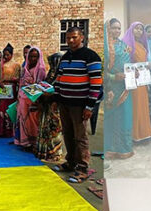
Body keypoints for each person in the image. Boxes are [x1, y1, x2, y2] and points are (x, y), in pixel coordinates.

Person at [54, 26, 102, 181]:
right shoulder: (65, 56)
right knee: (67, 133)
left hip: (80, 104)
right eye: (68, 38)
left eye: (74, 37)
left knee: (80, 136)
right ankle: (71, 162)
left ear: (82, 37)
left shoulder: (90, 56)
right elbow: (59, 79)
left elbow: (95, 83)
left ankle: (82, 168)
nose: (71, 41)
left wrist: (90, 106)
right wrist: (56, 98)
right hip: (65, 102)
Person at [104, 18, 134, 160]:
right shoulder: (106, 48)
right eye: (114, 28)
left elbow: (128, 65)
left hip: (125, 87)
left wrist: (135, 73)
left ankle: (124, 148)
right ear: (108, 29)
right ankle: (111, 148)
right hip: (111, 89)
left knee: (125, 117)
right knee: (112, 119)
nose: (117, 31)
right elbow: (101, 71)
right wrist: (112, 77)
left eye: (119, 28)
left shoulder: (124, 45)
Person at [17, 47, 47, 150]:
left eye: (35, 56)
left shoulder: (41, 70)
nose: (32, 58)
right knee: (24, 121)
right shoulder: (25, 68)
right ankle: (25, 142)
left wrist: (37, 99)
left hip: (33, 100)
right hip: (22, 99)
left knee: (33, 122)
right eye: (30, 56)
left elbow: (39, 85)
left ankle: (34, 143)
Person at [35, 53, 64, 161]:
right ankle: (44, 151)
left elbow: (59, 90)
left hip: (54, 107)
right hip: (46, 106)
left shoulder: (60, 76)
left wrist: (50, 95)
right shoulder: (51, 74)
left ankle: (55, 152)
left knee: (54, 130)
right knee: (45, 128)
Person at [0, 43, 21, 138]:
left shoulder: (16, 65)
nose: (6, 57)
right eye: (4, 55)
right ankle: (1, 131)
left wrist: (12, 80)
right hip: (2, 90)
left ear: (12, 54)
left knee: (10, 110)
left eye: (8, 55)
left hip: (12, 90)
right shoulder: (0, 64)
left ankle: (10, 132)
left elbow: (20, 78)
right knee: (2, 110)